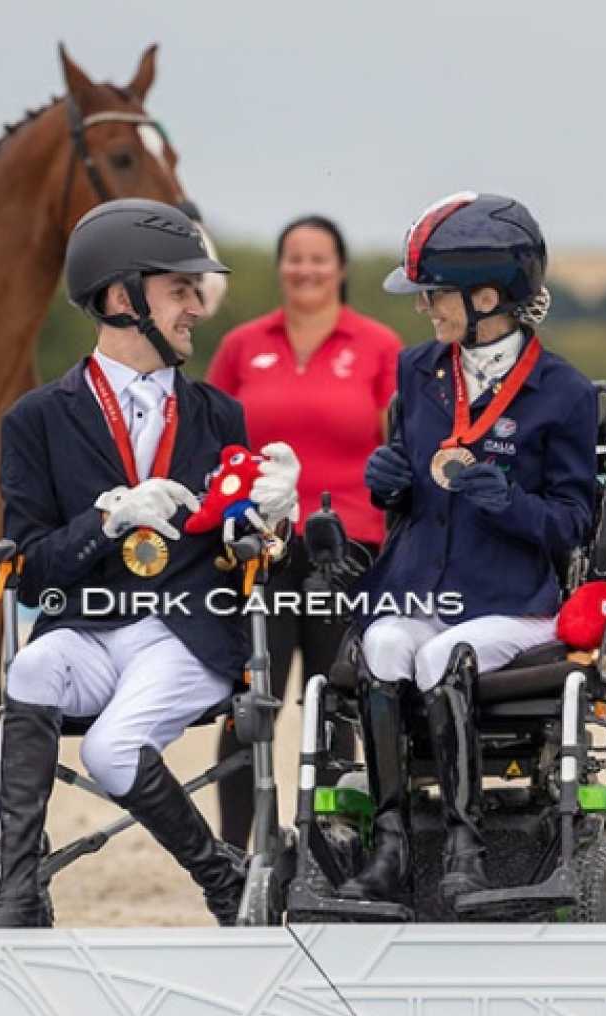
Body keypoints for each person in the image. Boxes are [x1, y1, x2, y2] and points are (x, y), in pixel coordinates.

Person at [0, 199, 302, 927]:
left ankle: (217, 874)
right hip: (89, 630)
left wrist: (274, 517)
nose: (195, 307)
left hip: (187, 634)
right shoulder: (34, 420)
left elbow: (246, 552)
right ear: (122, 298)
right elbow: (30, 571)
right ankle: (19, 886)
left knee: (110, 749)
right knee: (29, 670)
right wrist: (105, 519)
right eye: (178, 289)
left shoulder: (220, 414)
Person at [338, 193, 596, 912]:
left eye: (435, 295)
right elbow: (411, 487)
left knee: (433, 657)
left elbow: (572, 523)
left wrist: (505, 501)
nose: (425, 309)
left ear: (487, 297)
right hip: (425, 591)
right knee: (385, 640)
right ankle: (389, 846)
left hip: (511, 602)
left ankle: (464, 846)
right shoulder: (416, 372)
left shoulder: (562, 393)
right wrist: (390, 484)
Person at [206, 215, 402, 848]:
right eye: (294, 258)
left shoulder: (376, 346)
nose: (306, 270)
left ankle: (330, 845)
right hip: (257, 548)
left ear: (340, 268)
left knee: (333, 703)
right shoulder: (241, 345)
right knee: (246, 703)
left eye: (319, 259)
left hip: (344, 550)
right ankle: (238, 853)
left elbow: (397, 447)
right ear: (279, 267)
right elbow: (213, 445)